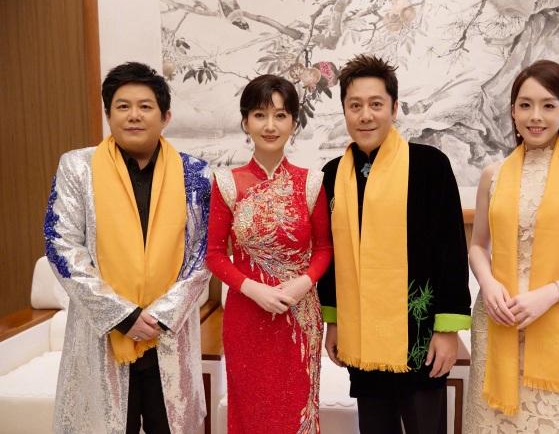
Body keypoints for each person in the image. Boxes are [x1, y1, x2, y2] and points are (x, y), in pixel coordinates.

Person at [44, 62, 211, 434]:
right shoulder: (78, 168)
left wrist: (160, 316)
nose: (134, 115)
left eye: (145, 106)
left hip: (168, 335)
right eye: (123, 106)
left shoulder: (196, 175)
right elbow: (61, 244)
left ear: (165, 116)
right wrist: (122, 315)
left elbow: (202, 254)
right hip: (102, 335)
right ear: (108, 115)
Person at [318, 54, 472, 434]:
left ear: (394, 107)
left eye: (376, 104)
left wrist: (447, 330)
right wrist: (334, 322)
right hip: (362, 335)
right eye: (355, 106)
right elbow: (331, 257)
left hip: (419, 336)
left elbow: (451, 250)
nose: (365, 115)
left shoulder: (429, 166)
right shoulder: (333, 175)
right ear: (344, 110)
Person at [464, 60, 559, 432]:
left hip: (557, 319)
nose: (535, 116)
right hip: (497, 318)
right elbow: (478, 246)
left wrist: (549, 295)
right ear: (513, 111)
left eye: (548, 105)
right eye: (525, 105)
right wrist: (488, 284)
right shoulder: (493, 174)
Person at [205, 74, 332, 433]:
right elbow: (214, 254)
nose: (270, 125)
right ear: (246, 122)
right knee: (251, 414)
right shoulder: (227, 183)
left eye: (280, 115)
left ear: (293, 122)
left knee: (296, 413)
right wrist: (253, 289)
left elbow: (324, 249)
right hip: (246, 316)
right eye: (260, 115)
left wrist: (303, 284)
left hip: (299, 316)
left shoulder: (312, 182)